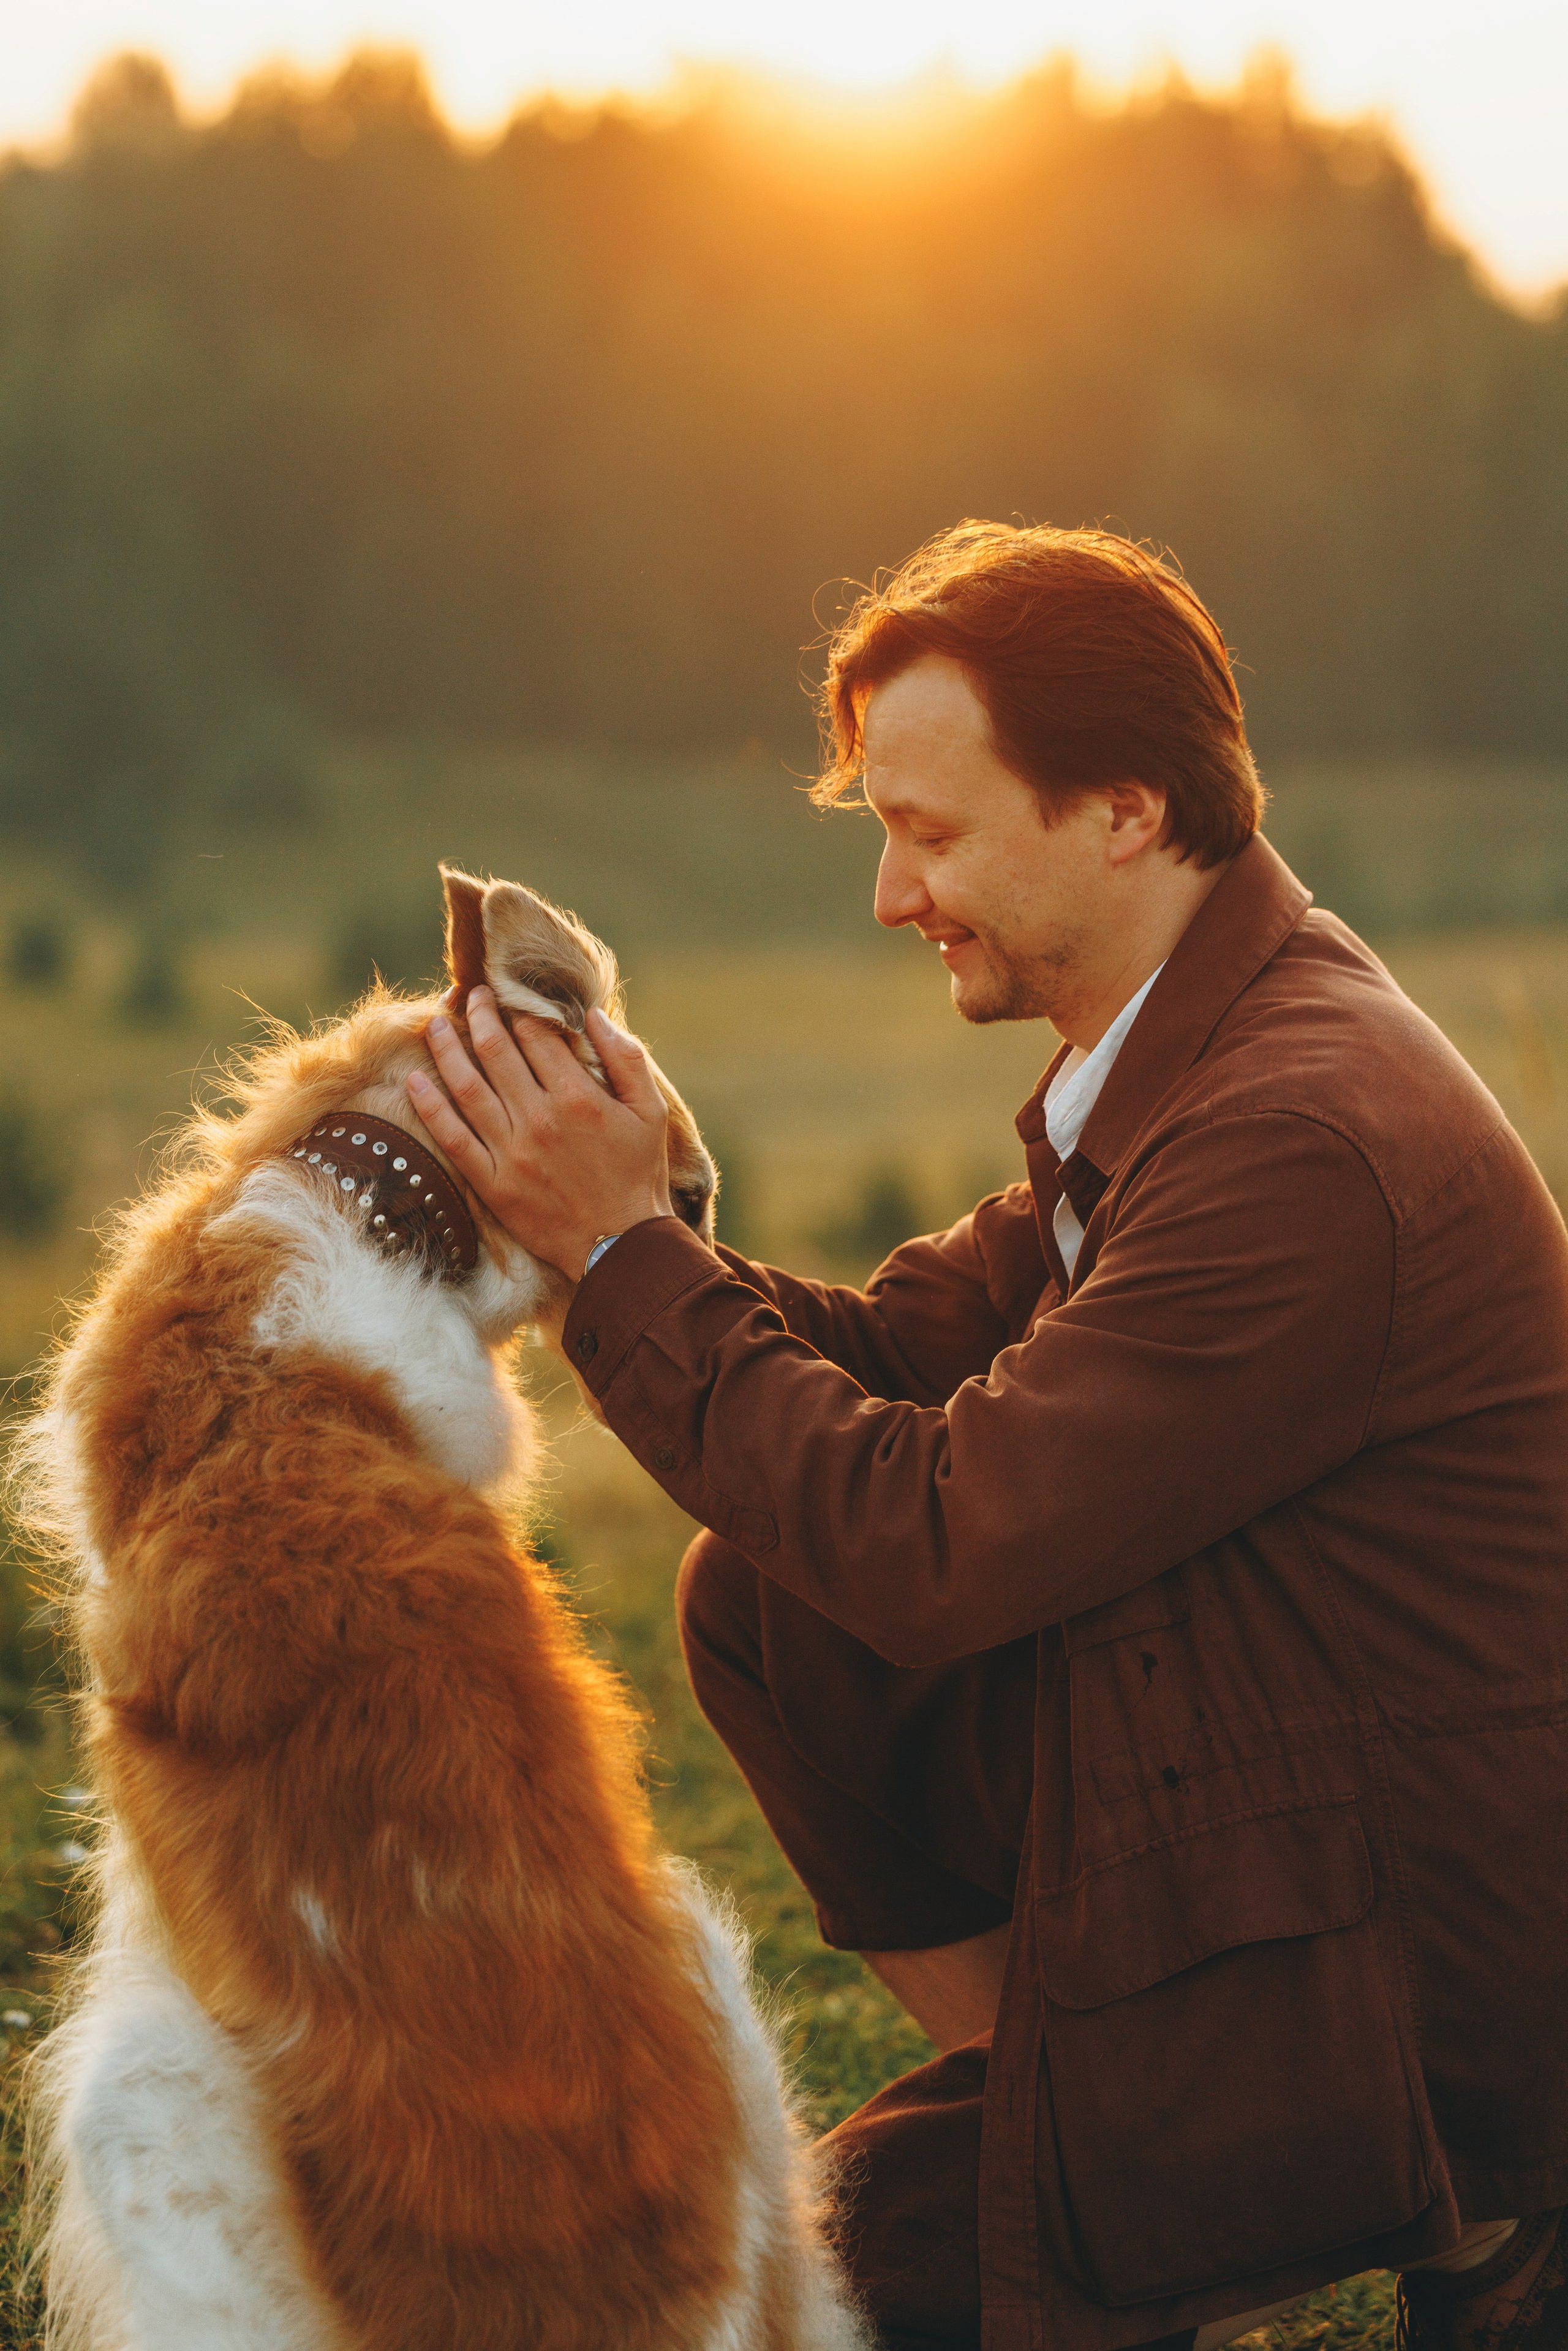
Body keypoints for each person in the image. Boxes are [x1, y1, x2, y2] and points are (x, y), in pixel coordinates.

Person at [409, 522, 1568, 2351]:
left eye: (929, 834)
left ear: (1123, 808)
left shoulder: (1299, 1134)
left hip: (1400, 1960)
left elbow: (942, 1542)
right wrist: (621, 1224)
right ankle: (1071, 2103)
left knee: (814, 2293)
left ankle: (1478, 2207)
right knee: (765, 1596)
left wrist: (627, 1254)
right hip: (1252, 1807)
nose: (890, 894)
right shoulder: (1200, 1049)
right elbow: (902, 1354)